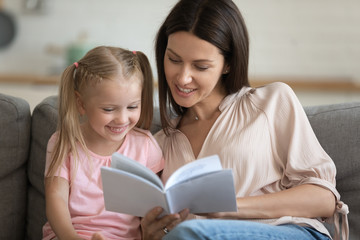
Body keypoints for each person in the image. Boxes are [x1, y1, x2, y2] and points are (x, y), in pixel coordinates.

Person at [140, 0, 349, 240]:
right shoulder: (159, 143)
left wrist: (231, 206)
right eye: (174, 60)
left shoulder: (270, 103)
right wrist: (151, 233)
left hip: (287, 232)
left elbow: (324, 199)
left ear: (227, 64)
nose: (183, 77)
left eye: (200, 66)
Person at [42, 46, 164, 240]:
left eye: (132, 106)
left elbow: (153, 207)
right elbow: (56, 198)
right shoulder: (63, 142)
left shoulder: (146, 146)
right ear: (81, 104)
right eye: (109, 109)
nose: (122, 119)